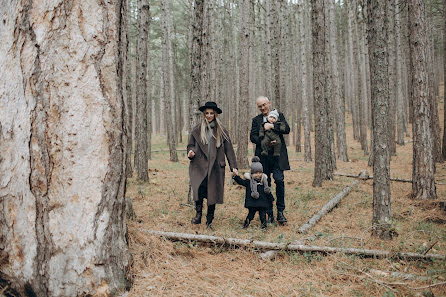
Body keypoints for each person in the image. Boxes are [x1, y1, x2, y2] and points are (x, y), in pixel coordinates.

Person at [187, 101, 238, 229]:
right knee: (198, 189)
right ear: (204, 114)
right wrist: (190, 152)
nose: (209, 115)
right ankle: (198, 215)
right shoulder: (197, 129)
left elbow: (229, 149)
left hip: (215, 166)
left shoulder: (221, 131)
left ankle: (209, 221)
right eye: (207, 113)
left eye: (211, 113)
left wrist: (234, 167)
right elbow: (190, 145)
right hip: (199, 165)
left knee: (212, 193)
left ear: (215, 114)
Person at [250, 96, 290, 225]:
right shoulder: (256, 120)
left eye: (264, 105)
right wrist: (264, 142)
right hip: (263, 157)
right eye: (259, 106)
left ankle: (280, 212)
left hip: (278, 157)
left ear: (269, 103)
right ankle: (268, 213)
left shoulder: (279, 115)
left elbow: (287, 129)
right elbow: (253, 136)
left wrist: (271, 126)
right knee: (265, 185)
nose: (262, 108)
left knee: (279, 180)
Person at [232, 157, 274, 230]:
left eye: (260, 173)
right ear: (252, 173)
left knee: (263, 215)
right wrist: (236, 176)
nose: (258, 175)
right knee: (250, 215)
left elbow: (267, 191)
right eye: (256, 173)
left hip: (262, 203)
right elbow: (241, 182)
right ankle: (245, 225)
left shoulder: (264, 181)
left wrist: (271, 199)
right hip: (253, 203)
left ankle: (264, 226)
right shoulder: (249, 181)